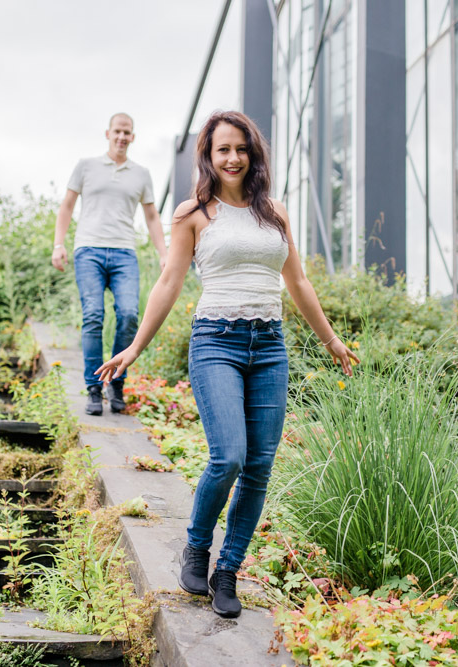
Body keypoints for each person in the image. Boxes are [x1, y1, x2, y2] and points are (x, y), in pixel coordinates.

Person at [96, 110, 358, 618]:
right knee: (229, 456)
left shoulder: (274, 212)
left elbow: (297, 281)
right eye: (223, 149)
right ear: (209, 157)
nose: (233, 158)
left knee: (259, 468)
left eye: (241, 148)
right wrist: (134, 347)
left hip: (270, 346)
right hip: (216, 342)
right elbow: (169, 282)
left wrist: (330, 340)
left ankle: (228, 571)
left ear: (252, 153)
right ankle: (196, 546)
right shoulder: (193, 213)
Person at [53, 112, 167, 416]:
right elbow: (67, 206)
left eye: (127, 132)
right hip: (88, 249)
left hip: (124, 252)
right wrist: (58, 244)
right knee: (93, 316)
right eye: (117, 131)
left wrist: (164, 253)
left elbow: (152, 216)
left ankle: (115, 382)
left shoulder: (141, 173)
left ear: (133, 137)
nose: (121, 137)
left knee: (129, 315)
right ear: (108, 134)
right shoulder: (86, 166)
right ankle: (93, 388)